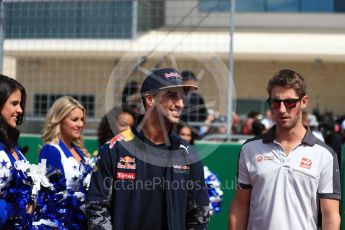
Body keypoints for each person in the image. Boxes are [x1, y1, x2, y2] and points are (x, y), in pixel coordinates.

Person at [86, 67, 210, 229]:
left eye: (182, 96)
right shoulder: (115, 149)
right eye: (172, 95)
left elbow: (199, 214)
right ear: (150, 98)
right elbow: (96, 208)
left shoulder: (187, 154)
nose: (180, 103)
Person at [229, 69, 341, 230]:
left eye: (289, 102)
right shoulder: (249, 149)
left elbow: (330, 217)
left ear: (304, 102)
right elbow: (240, 205)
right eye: (275, 102)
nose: (282, 109)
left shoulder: (324, 155)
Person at [39, 96, 90, 192]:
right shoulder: (51, 150)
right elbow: (53, 194)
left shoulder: (79, 151)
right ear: (59, 120)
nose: (80, 124)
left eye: (82, 119)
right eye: (75, 120)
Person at [0, 75, 28, 228]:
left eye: (20, 104)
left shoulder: (13, 144)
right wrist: (18, 209)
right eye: (14, 103)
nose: (20, 110)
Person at [180, 70, 208, 139]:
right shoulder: (177, 95)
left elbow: (204, 115)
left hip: (194, 131)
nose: (193, 83)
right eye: (191, 80)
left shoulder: (197, 97)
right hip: (179, 129)